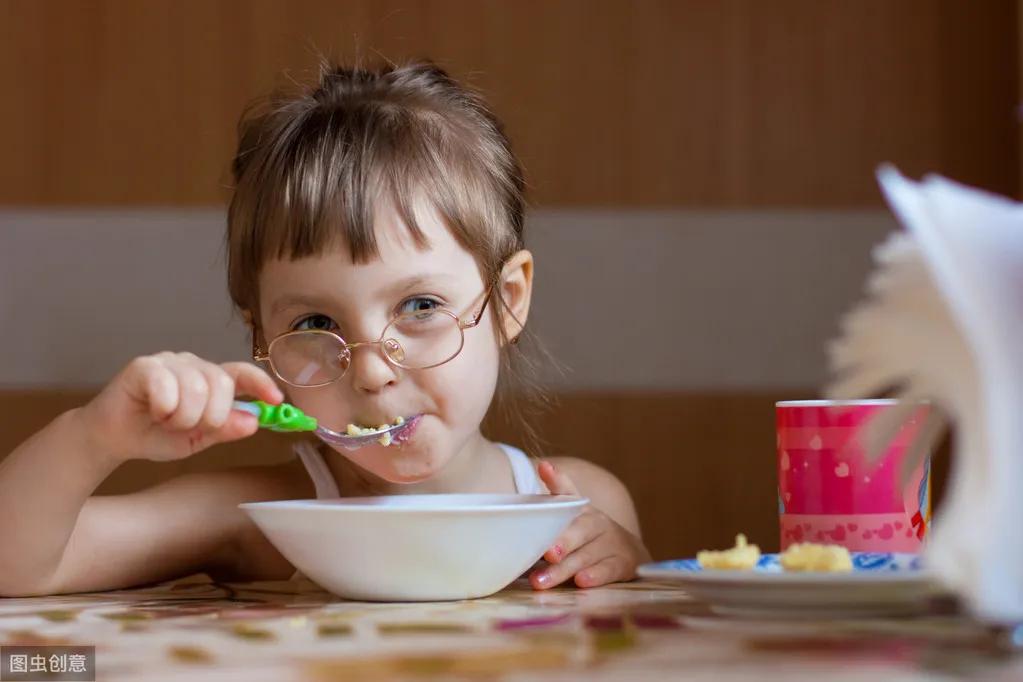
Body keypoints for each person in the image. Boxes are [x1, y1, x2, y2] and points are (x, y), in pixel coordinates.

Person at [0, 61, 650, 597]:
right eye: (316, 322)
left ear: (506, 301)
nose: (369, 370)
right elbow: (19, 567)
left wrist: (616, 558)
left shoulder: (576, 503)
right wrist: (94, 438)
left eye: (420, 306)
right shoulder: (259, 521)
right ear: (262, 343)